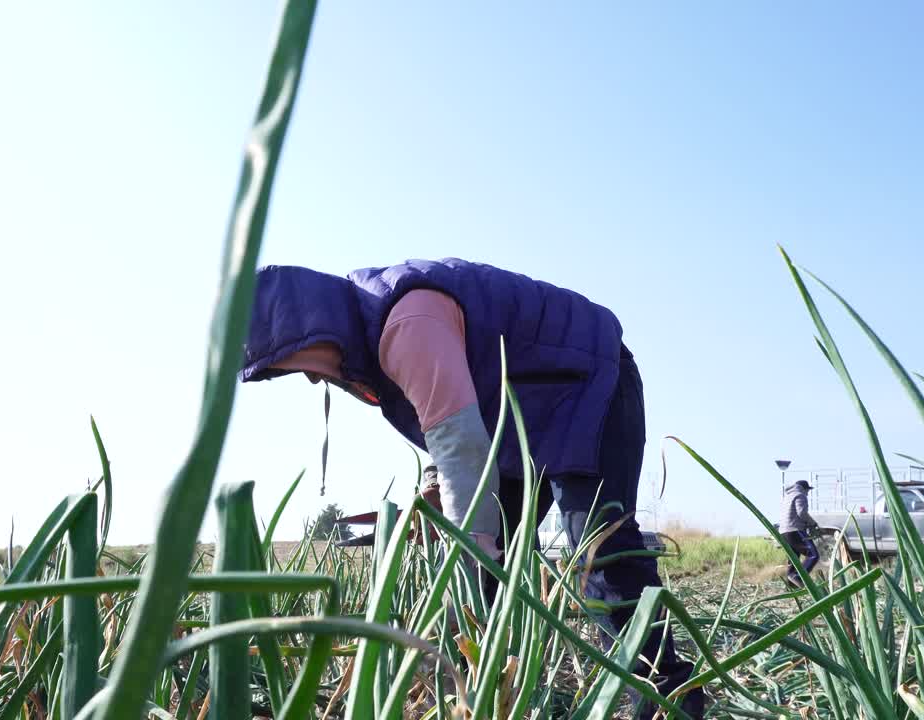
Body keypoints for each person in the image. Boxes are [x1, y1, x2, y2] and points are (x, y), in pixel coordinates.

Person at [241, 258, 704, 718]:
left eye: (292, 365)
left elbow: (460, 449)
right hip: (517, 413)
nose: (310, 378)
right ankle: (483, 694)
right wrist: (435, 489)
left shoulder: (407, 324)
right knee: (488, 563)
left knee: (599, 548)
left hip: (590, 381)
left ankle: (668, 698)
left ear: (307, 330)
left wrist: (468, 543)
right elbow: (445, 419)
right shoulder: (369, 330)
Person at [779, 479, 820, 587]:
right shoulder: (800, 495)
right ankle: (798, 576)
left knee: (794, 558)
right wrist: (812, 523)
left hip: (784, 532)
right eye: (808, 490)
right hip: (794, 530)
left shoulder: (787, 496)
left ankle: (791, 585)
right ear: (804, 489)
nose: (808, 493)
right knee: (813, 555)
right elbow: (802, 513)